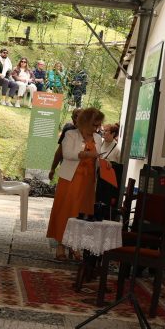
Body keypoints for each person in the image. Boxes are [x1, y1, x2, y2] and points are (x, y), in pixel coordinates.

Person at [46, 107, 104, 260]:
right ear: (85, 123)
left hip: (88, 181)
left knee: (81, 214)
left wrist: (105, 164)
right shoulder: (71, 135)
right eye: (94, 125)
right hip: (70, 179)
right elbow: (67, 154)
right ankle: (60, 245)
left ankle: (75, 245)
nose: (97, 128)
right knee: (66, 212)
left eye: (98, 125)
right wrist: (84, 154)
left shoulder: (98, 138)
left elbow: (99, 157)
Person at [49, 109, 81, 180]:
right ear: (72, 118)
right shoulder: (68, 129)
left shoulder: (90, 133)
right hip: (66, 166)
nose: (76, 119)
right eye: (75, 117)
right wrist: (53, 169)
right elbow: (60, 151)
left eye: (79, 117)